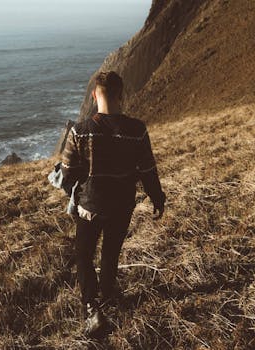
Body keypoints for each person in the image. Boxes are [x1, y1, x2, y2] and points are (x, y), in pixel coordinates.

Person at [60, 71, 166, 337]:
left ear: (95, 96)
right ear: (121, 96)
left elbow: (67, 172)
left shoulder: (80, 131)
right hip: (122, 206)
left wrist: (73, 188)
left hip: (89, 208)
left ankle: (91, 308)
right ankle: (108, 295)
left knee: (84, 256)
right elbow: (148, 169)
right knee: (110, 253)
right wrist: (157, 197)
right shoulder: (137, 130)